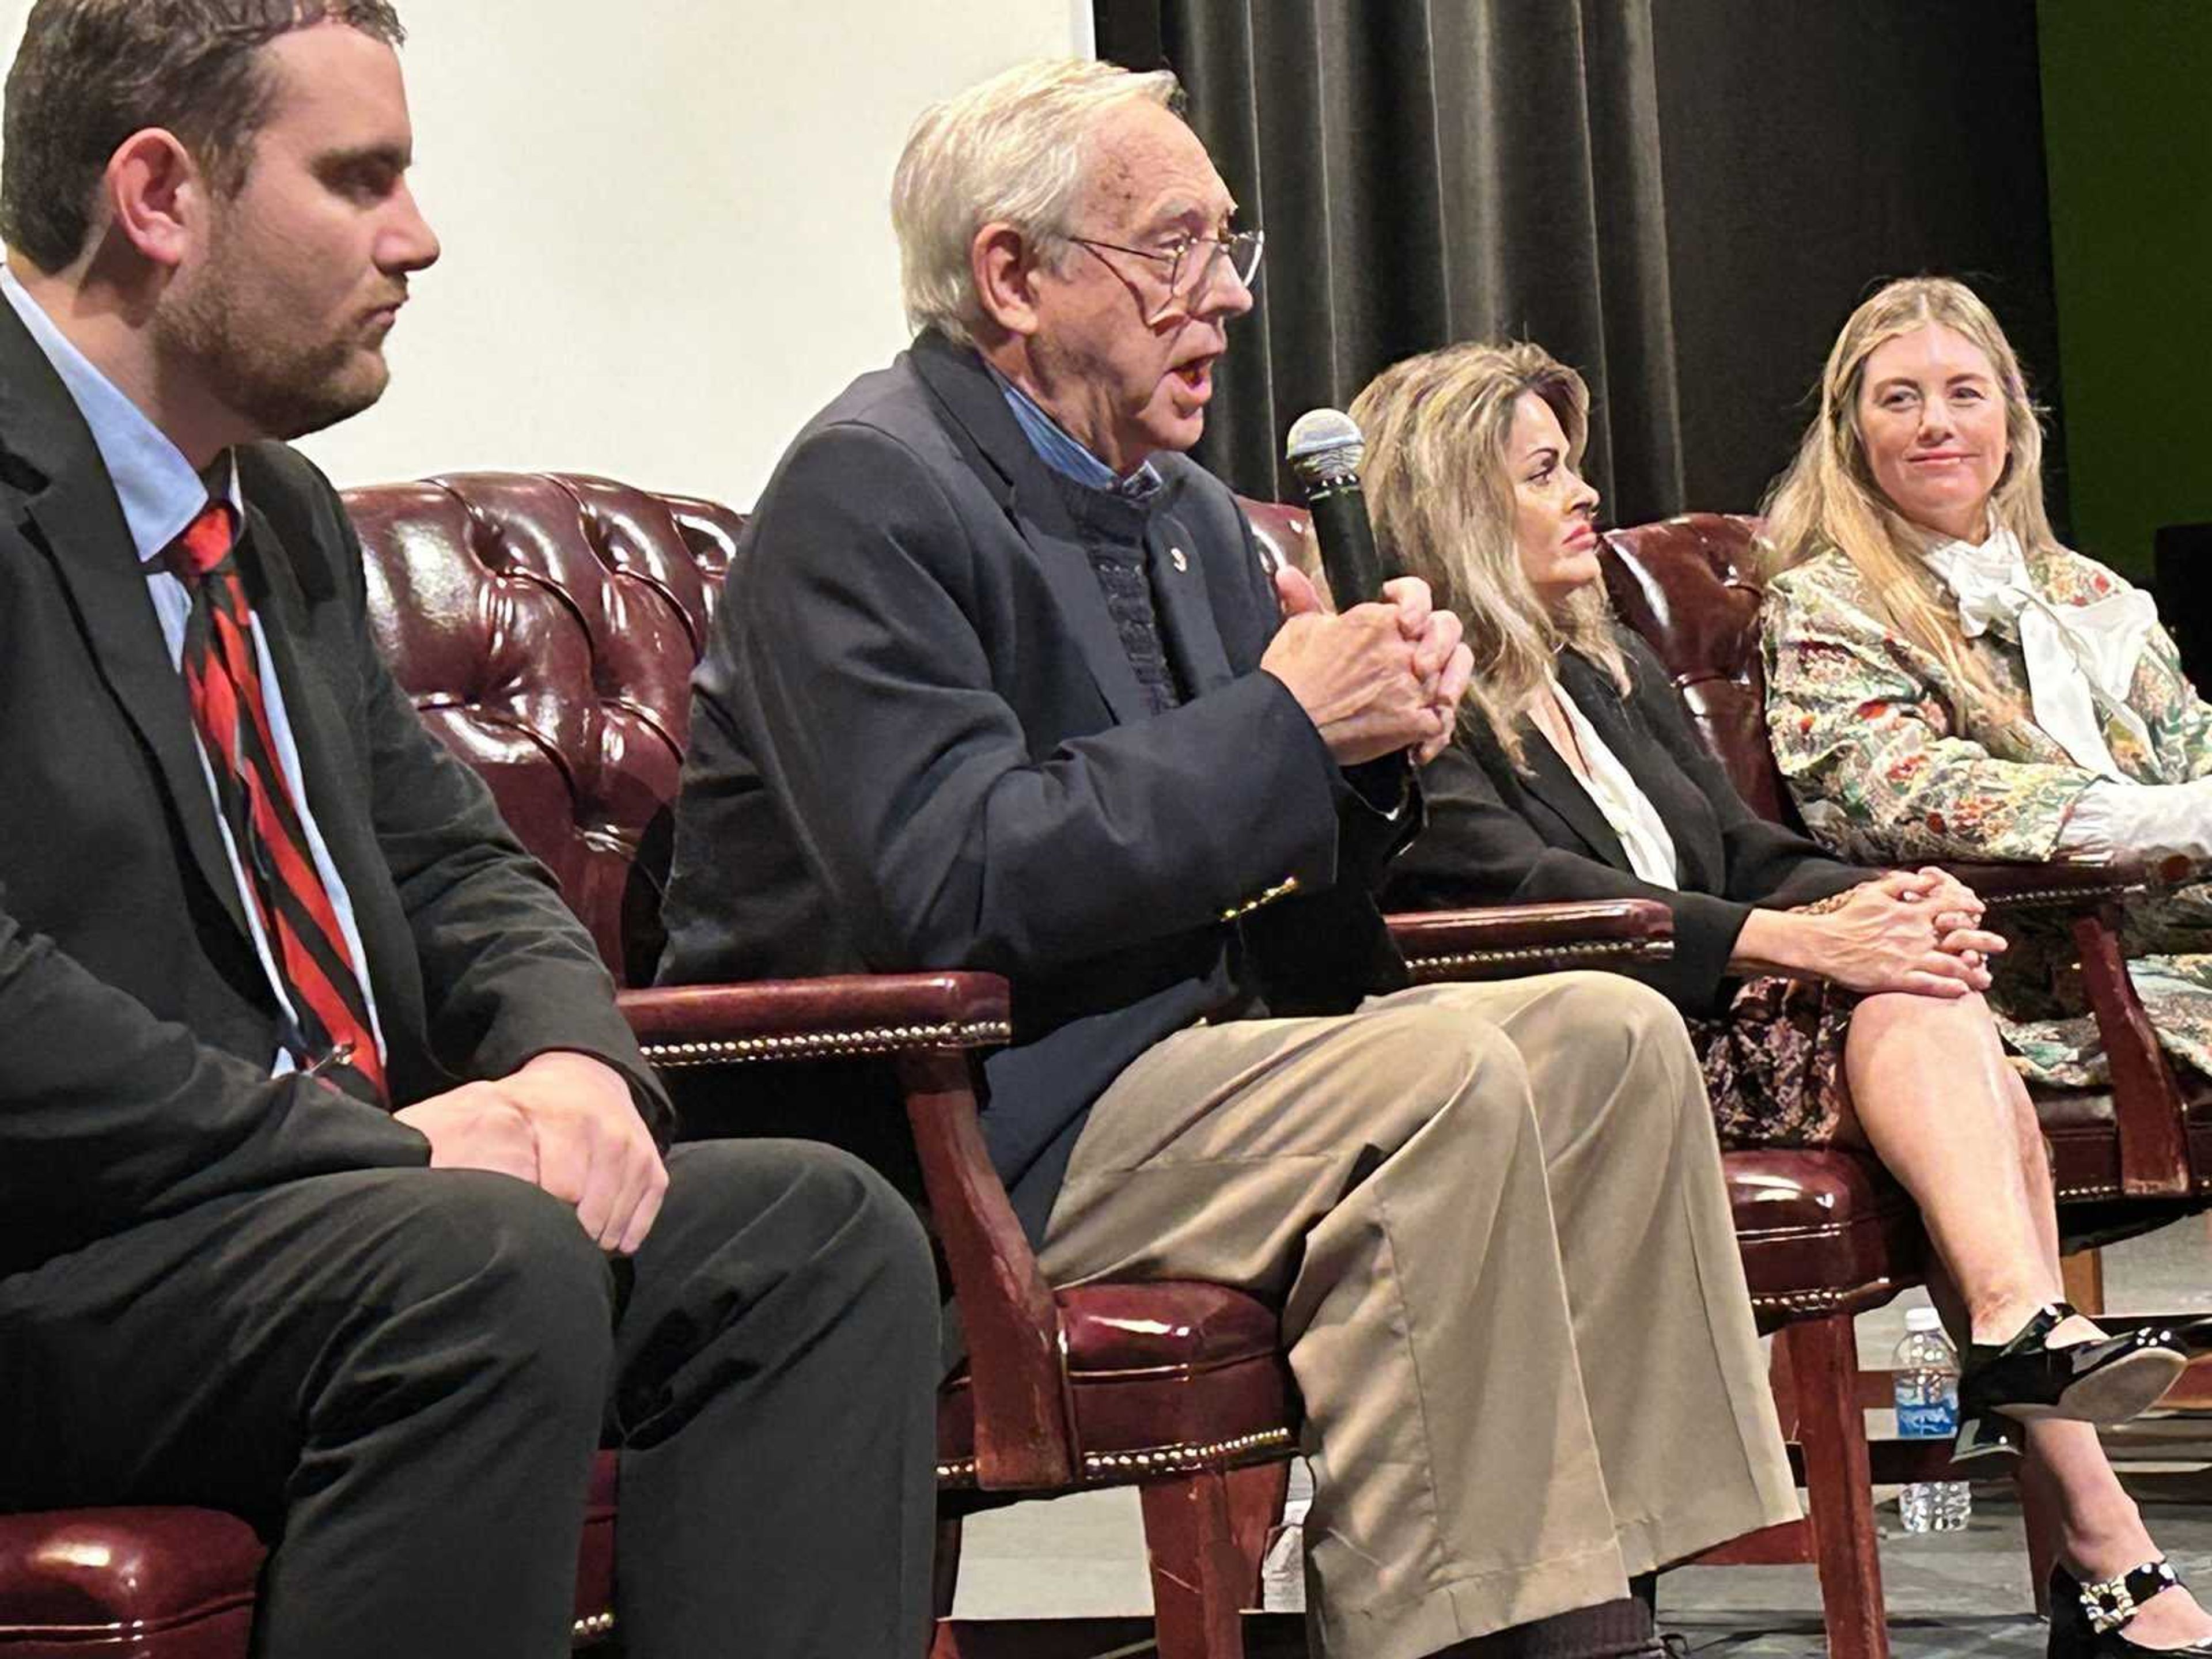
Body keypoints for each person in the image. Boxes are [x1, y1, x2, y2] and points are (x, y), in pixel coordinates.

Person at [659, 57, 1798, 1659]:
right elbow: (944, 880)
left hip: (1186, 1059)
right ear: (1013, 274)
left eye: (1230, 247)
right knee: (1443, 1087)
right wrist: (1283, 724)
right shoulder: (874, 490)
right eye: (1174, 251)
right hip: (972, 1112)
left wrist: (1371, 763)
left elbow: (1298, 930)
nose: (1227, 301)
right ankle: (1458, 1632)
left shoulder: (1183, 510)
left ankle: (1596, 1601)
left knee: (1607, 1036)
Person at [0, 5, 935, 1656]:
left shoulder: (268, 508)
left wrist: (572, 1062)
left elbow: (453, 867)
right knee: (478, 1265)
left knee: (815, 1232)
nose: (418, 239)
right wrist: (379, 1151)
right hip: (67, 1263)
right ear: (159, 196)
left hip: (323, 1232)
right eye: (360, 179)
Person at [1350, 336, 2209, 1658]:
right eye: (1540, 473)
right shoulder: (1419, 705)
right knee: (1913, 1002)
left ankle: (2038, 1386)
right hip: (1586, 1054)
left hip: (1710, 1016)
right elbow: (1511, 879)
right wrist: (1807, 946)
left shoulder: (1602, 668)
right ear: (1458, 504)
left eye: (1571, 462)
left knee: (1923, 980)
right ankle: (2095, 1527)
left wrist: (1887, 899)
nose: (1581, 492)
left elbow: (1745, 853)